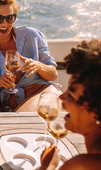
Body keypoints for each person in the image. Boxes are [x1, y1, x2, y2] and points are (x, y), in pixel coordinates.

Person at [0, 0, 61, 112]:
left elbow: (53, 75)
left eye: (10, 18)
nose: (4, 23)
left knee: (26, 119)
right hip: (12, 104)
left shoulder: (33, 35)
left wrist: (38, 66)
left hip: (42, 92)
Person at [40, 39, 101, 170]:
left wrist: (48, 165)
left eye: (71, 95)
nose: (62, 97)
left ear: (96, 110)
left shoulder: (83, 164)